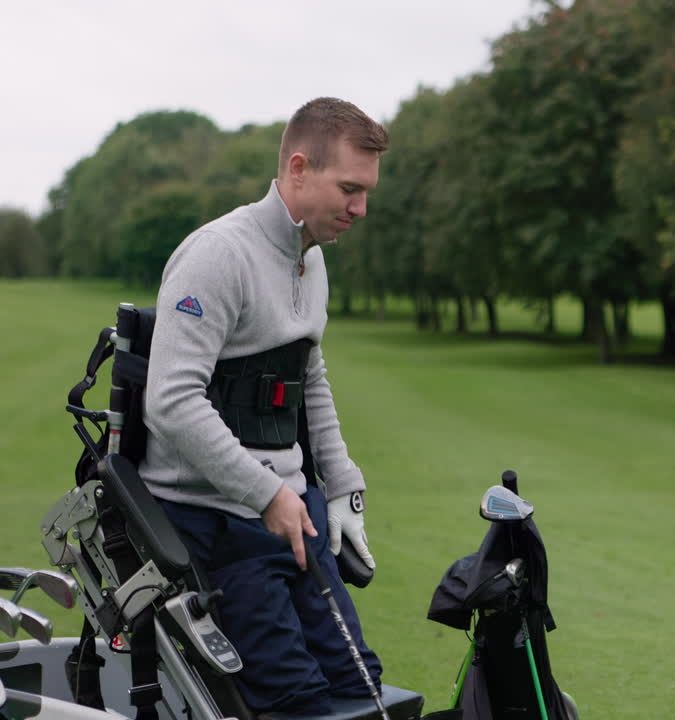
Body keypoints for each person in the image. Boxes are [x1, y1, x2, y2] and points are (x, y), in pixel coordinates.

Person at [140, 97, 388, 715]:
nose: (360, 209)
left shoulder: (313, 258)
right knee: (294, 701)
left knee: (360, 687)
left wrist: (340, 489)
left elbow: (309, 376)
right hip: (213, 523)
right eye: (349, 189)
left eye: (366, 192)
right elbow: (170, 400)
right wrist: (266, 495)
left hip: (289, 512)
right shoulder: (218, 255)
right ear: (299, 169)